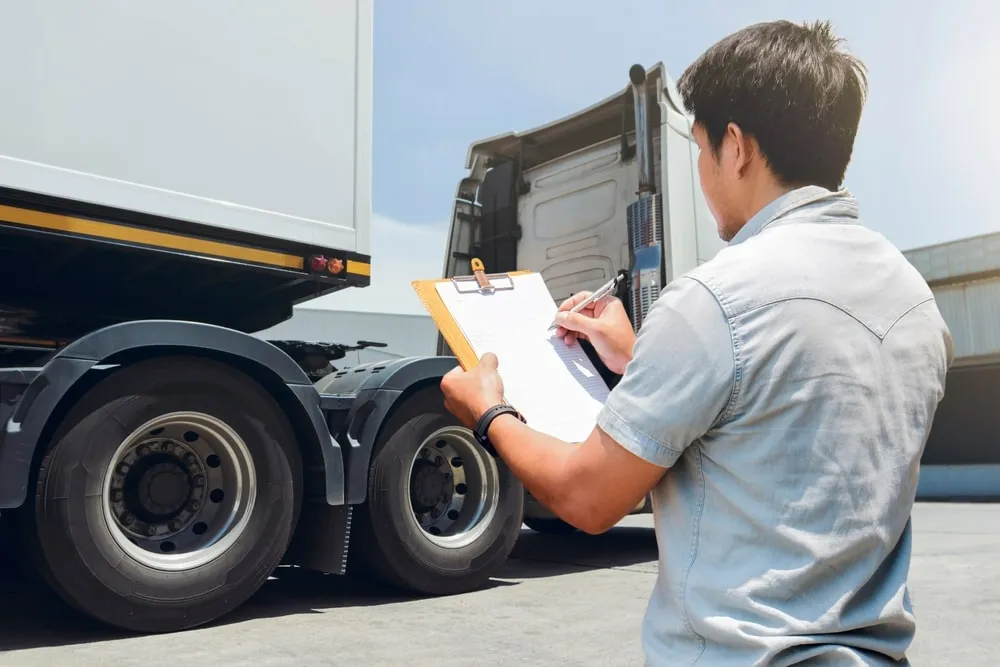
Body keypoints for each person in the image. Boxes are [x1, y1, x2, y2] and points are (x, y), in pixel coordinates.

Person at [440, 19, 953, 667]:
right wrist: (640, 357)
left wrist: (490, 411)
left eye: (704, 150)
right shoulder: (913, 302)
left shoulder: (717, 300)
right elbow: (786, 419)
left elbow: (587, 497)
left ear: (736, 147)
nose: (705, 170)